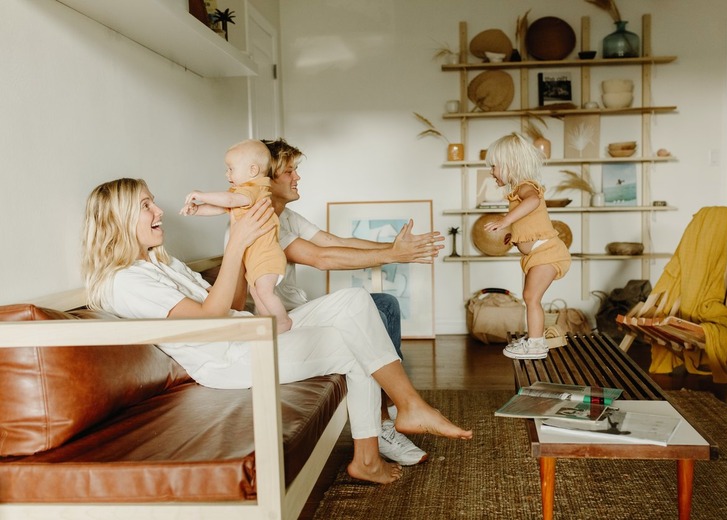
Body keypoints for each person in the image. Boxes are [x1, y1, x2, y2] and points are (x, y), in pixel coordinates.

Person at [81, 178, 473, 485]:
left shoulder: (161, 264)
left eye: (154, 201)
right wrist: (237, 244)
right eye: (145, 205)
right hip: (230, 359)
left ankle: (407, 408)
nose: (159, 210)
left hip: (247, 331)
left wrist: (242, 243)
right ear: (116, 221)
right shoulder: (124, 281)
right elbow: (209, 319)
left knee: (357, 304)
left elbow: (230, 306)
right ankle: (372, 454)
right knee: (353, 342)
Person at [262, 138, 445, 466]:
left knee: (384, 304)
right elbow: (320, 257)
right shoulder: (262, 222)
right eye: (289, 171)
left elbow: (335, 241)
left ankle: (388, 416)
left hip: (297, 311)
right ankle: (388, 421)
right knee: (371, 305)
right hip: (281, 322)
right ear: (267, 178)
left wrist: (394, 247)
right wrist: (392, 254)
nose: (297, 177)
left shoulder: (286, 216)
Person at [180, 139, 292, 333]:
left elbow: (229, 200)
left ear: (252, 170)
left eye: (231, 169)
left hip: (266, 255)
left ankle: (283, 322)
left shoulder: (254, 189)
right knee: (258, 294)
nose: (227, 174)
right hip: (256, 258)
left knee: (264, 292)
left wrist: (202, 195)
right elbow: (222, 205)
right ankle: (269, 322)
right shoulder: (242, 192)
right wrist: (197, 210)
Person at [482, 133, 571, 360]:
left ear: (510, 165)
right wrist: (513, 235)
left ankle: (536, 345)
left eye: (494, 166)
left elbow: (533, 202)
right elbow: (528, 221)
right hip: (538, 253)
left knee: (531, 297)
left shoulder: (526, 187)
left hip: (547, 252)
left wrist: (505, 220)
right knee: (530, 297)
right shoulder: (516, 191)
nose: (491, 172)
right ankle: (534, 339)